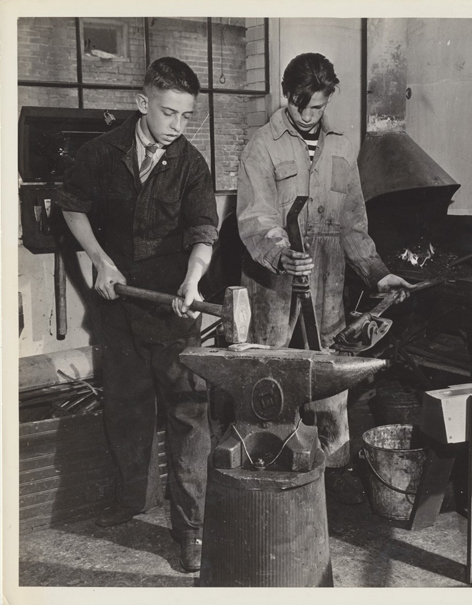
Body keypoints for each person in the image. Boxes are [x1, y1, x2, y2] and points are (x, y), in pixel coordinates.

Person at [58, 57, 218, 573]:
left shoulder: (191, 163)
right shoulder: (101, 152)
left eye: (187, 116)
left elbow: (203, 230)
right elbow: (72, 205)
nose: (177, 126)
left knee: (188, 415)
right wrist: (99, 260)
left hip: (173, 307)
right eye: (169, 113)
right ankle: (132, 499)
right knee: (126, 406)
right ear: (142, 102)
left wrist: (193, 279)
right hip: (118, 304)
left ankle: (192, 529)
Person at [236, 52, 412, 505]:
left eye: (318, 106)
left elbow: (353, 223)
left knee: (330, 384)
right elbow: (256, 218)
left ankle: (330, 485)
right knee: (273, 385)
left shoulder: (340, 147)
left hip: (328, 288)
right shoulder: (262, 146)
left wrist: (378, 274)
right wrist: (280, 255)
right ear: (286, 94)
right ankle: (269, 484)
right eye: (302, 106)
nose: (310, 115)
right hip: (275, 292)